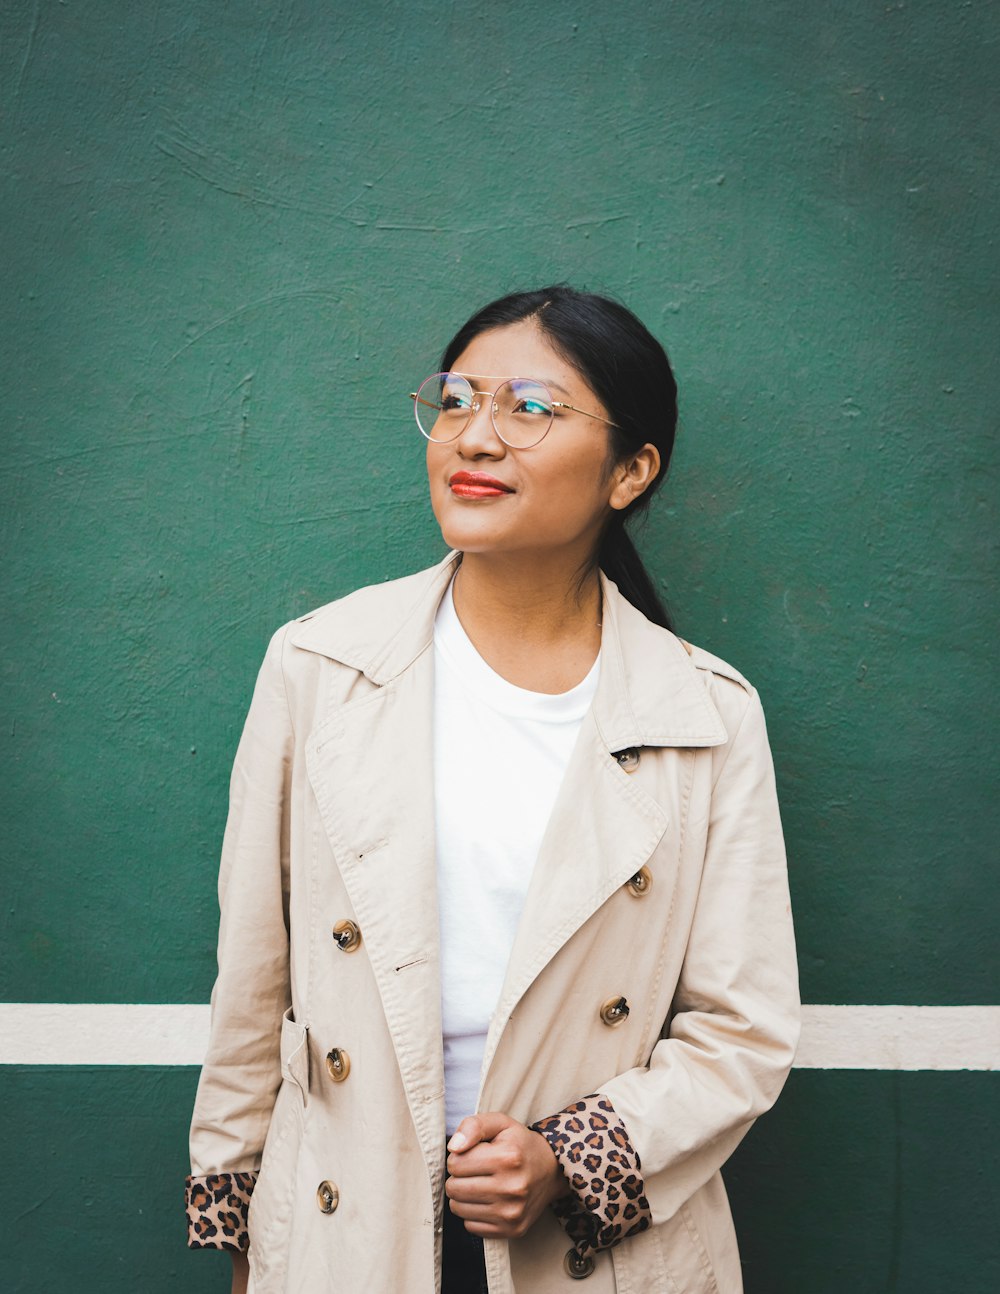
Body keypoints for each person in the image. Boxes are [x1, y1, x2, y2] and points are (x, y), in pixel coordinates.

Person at [185, 286, 799, 1293]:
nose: (475, 435)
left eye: (529, 408)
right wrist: (245, 1225)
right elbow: (253, 984)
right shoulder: (321, 666)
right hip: (347, 1233)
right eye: (458, 399)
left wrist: (566, 1155)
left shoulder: (705, 714)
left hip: (593, 1247)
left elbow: (743, 1028)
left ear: (630, 470)